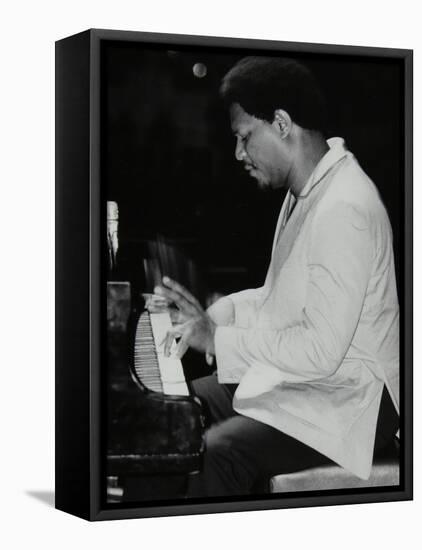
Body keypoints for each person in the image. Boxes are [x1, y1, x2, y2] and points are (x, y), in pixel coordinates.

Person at [152, 56, 400, 498]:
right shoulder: (306, 192)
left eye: (245, 137)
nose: (238, 154)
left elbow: (321, 349)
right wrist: (216, 315)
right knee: (180, 406)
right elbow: (278, 296)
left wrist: (218, 340)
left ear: (282, 123)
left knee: (217, 450)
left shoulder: (343, 206)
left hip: (354, 403)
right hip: (320, 382)